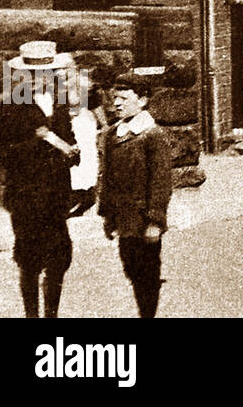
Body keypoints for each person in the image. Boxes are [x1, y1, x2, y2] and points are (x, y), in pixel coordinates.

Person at [0, 41, 79, 318]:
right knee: (29, 261)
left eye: (50, 73)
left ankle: (51, 314)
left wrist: (72, 153)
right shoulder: (9, 107)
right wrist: (35, 141)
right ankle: (32, 315)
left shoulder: (60, 102)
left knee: (59, 258)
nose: (44, 79)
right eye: (35, 74)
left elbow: (70, 141)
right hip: (26, 196)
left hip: (56, 195)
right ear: (24, 75)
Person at [100, 73, 174, 318]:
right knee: (130, 266)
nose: (117, 103)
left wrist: (155, 220)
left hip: (144, 220)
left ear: (142, 100)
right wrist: (108, 216)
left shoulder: (152, 135)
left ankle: (147, 314)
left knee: (147, 273)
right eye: (114, 98)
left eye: (123, 98)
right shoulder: (113, 134)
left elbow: (161, 182)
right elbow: (107, 178)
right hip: (123, 219)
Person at [68, 67, 101, 217]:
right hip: (80, 123)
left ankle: (85, 195)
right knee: (80, 159)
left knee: (84, 157)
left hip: (82, 123)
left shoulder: (79, 83)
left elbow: (76, 104)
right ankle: (82, 195)